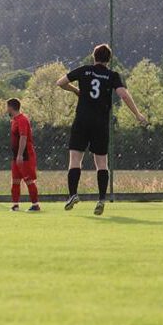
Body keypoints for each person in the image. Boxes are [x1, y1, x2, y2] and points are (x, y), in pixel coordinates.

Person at [56, 43, 147, 215]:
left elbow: (60, 83)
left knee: (75, 160)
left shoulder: (84, 70)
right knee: (102, 163)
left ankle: (73, 195)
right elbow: (124, 94)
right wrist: (137, 114)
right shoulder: (112, 75)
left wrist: (76, 90)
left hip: (82, 120)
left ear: (94, 57)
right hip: (100, 123)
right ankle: (101, 199)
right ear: (109, 59)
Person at [6, 98, 40, 211]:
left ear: (11, 107)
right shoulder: (14, 120)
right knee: (15, 180)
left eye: (7, 107)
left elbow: (23, 137)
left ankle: (35, 205)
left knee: (28, 180)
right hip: (16, 155)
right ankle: (15, 205)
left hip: (25, 155)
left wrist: (20, 155)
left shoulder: (22, 119)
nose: (6, 110)